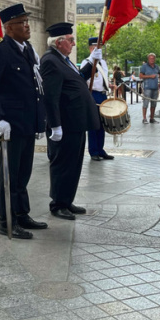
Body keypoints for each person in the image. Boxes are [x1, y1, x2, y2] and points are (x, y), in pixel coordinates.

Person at [0, 3, 46, 239]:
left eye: (27, 22)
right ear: (8, 28)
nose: (27, 26)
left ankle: (22, 213)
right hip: (10, 125)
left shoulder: (27, 49)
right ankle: (7, 221)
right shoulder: (0, 51)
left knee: (23, 173)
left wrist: (39, 121)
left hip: (27, 123)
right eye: (22, 23)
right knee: (10, 174)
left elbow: (34, 88)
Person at [40, 22, 101, 220]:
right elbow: (51, 96)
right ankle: (58, 204)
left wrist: (91, 61)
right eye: (71, 40)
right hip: (65, 123)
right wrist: (55, 125)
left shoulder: (64, 60)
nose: (74, 43)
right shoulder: (50, 61)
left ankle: (66, 200)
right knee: (63, 165)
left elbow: (79, 78)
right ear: (59, 42)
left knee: (73, 164)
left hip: (76, 123)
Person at [81, 38, 112, 162]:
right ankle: (93, 151)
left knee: (102, 124)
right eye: (95, 48)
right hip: (93, 94)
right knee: (93, 124)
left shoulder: (103, 62)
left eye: (99, 48)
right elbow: (84, 79)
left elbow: (103, 79)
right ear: (90, 49)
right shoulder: (86, 62)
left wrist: (109, 85)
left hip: (103, 94)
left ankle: (100, 149)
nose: (97, 50)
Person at [140, 53, 160, 123]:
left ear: (155, 59)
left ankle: (152, 118)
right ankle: (144, 118)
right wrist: (150, 76)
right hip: (147, 87)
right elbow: (141, 76)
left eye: (153, 58)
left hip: (155, 87)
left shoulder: (156, 66)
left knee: (154, 104)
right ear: (148, 59)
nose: (152, 59)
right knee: (146, 103)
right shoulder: (144, 66)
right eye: (150, 58)